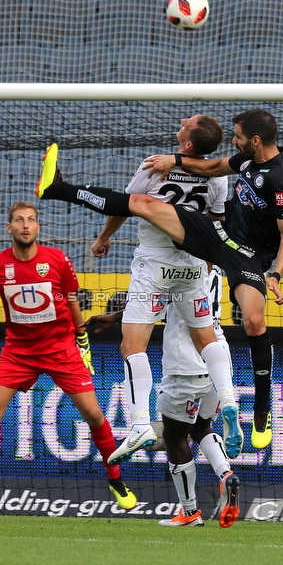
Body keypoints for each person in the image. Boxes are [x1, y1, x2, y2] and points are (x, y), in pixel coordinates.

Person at [36, 109, 283, 449]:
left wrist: (276, 274)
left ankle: (256, 410)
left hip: (235, 258)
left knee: (253, 320)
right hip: (211, 245)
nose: (234, 141)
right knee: (210, 336)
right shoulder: (241, 163)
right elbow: (213, 171)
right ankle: (229, 401)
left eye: (237, 136)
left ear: (256, 140)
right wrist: (175, 159)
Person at [0, 201, 137, 513]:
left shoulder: (57, 260)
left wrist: (82, 338)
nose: (25, 225)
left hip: (60, 349)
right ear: (10, 228)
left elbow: (71, 299)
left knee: (95, 416)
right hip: (17, 353)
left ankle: (116, 479)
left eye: (31, 220)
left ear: (38, 227)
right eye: (19, 220)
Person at [88, 115, 242, 463]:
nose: (184, 120)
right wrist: (207, 259)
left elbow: (125, 205)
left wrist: (103, 238)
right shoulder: (217, 176)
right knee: (207, 339)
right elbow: (216, 222)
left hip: (154, 264)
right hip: (192, 265)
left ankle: (140, 422)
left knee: (133, 345)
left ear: (187, 144)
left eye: (190, 121)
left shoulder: (155, 165)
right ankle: (229, 398)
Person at [86, 265, 242, 528]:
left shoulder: (178, 265)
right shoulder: (211, 264)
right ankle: (226, 474)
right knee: (202, 426)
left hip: (185, 365)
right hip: (218, 359)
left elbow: (153, 303)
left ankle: (190, 511)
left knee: (174, 435)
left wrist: (116, 315)